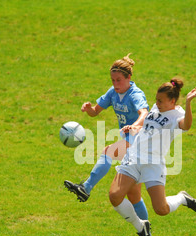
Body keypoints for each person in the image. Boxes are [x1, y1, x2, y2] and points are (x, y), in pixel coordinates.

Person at [108, 78, 196, 236]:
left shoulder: (177, 116)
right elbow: (146, 126)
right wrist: (134, 127)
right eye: (156, 100)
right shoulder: (156, 108)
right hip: (134, 157)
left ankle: (182, 198)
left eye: (160, 101)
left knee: (161, 209)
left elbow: (187, 126)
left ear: (172, 101)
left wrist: (189, 102)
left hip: (153, 164)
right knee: (115, 196)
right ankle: (143, 232)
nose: (156, 103)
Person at [64, 54, 150, 221]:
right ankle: (147, 233)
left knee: (108, 151)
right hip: (130, 141)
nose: (115, 84)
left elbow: (144, 113)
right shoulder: (113, 93)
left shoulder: (135, 94)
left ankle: (86, 188)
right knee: (134, 195)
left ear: (129, 77)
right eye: (113, 80)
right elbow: (95, 111)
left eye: (119, 80)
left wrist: (135, 125)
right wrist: (88, 108)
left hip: (140, 140)